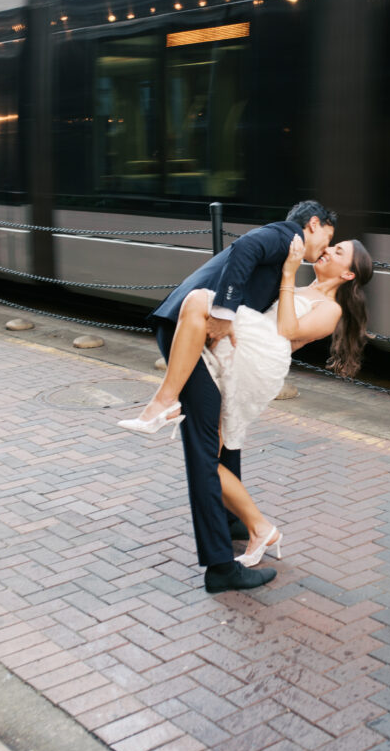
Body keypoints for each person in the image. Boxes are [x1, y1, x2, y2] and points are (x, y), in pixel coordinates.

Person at [120, 233, 373, 574]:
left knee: (197, 301)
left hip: (258, 363)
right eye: (331, 245)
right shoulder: (303, 290)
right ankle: (259, 528)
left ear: (348, 274)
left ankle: (164, 400)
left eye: (338, 251)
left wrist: (287, 273)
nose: (327, 250)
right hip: (247, 353)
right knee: (211, 453)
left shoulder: (330, 309)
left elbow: (285, 330)